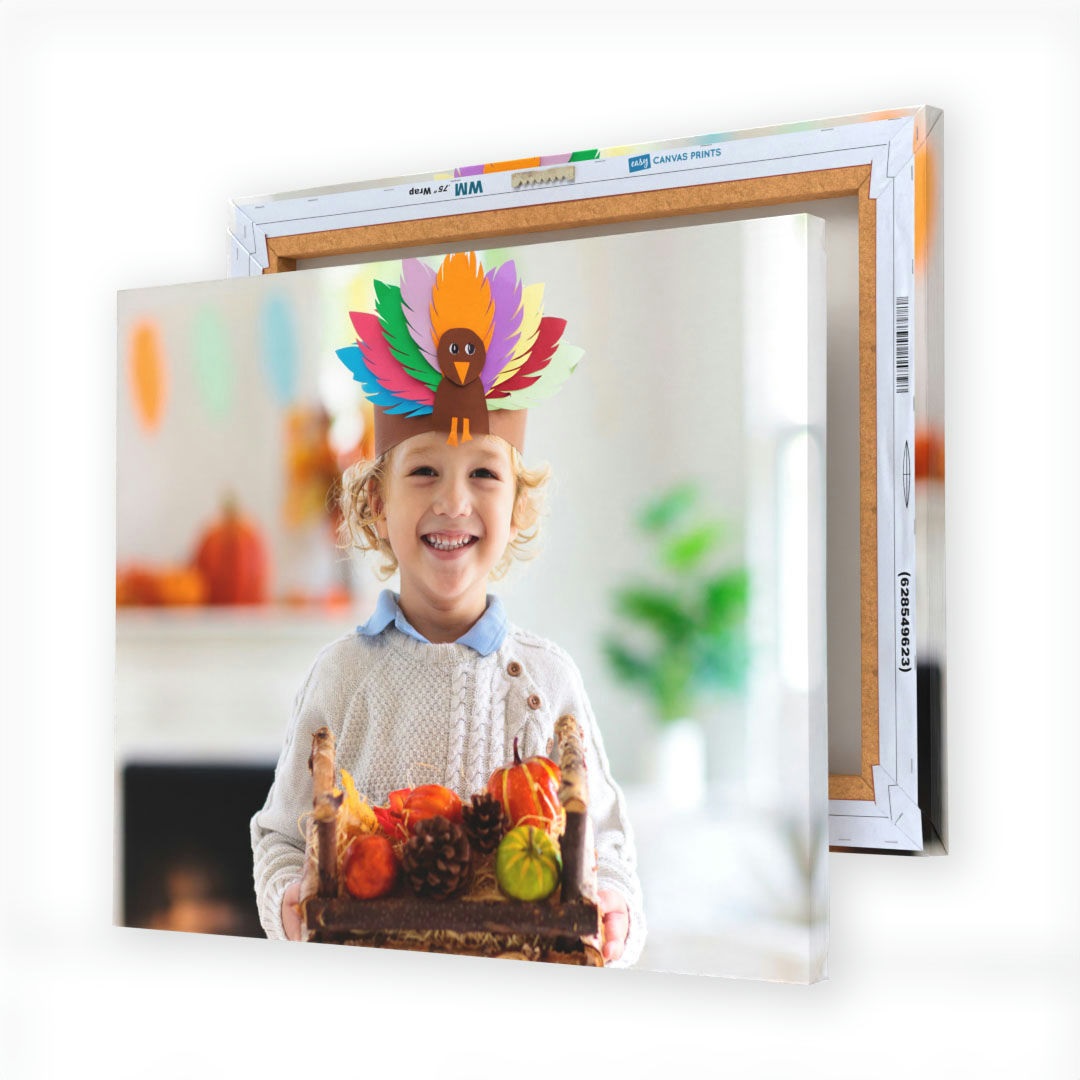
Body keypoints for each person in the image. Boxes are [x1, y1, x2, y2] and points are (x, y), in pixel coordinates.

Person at [250, 252, 645, 966]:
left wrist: (614, 910)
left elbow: (607, 845)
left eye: (485, 475)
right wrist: (290, 901)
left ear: (517, 506)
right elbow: (280, 836)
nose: (453, 502)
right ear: (376, 500)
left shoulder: (547, 683)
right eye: (424, 470)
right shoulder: (340, 677)